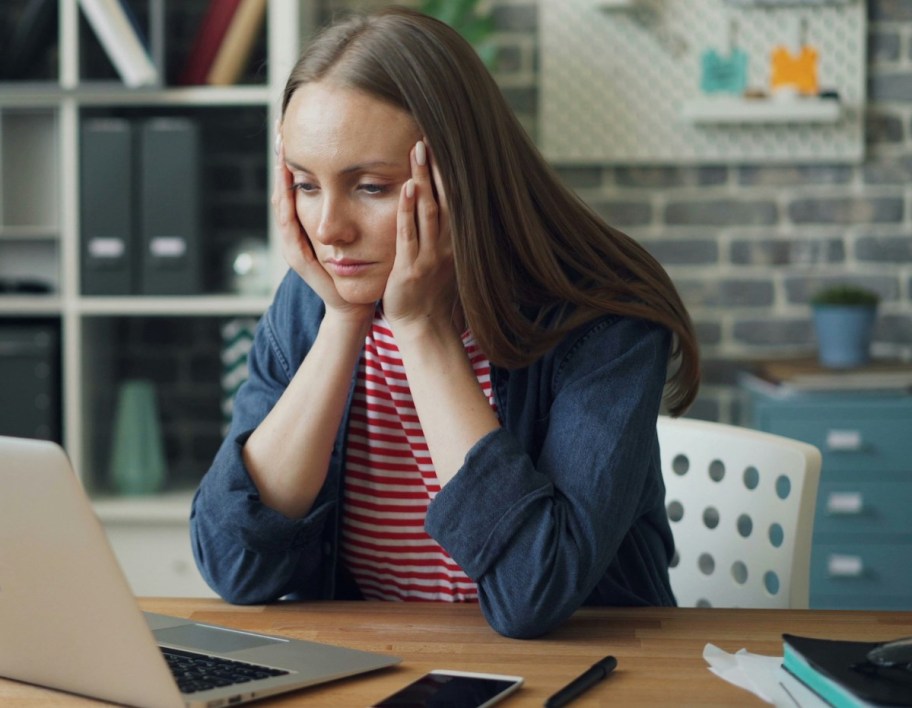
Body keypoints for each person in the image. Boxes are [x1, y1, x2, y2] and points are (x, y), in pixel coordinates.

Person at [190, 5, 700, 639]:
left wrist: (423, 329)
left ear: (463, 176)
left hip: (581, 677)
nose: (328, 231)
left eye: (371, 187)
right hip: (379, 666)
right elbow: (233, 565)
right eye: (305, 184)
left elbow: (531, 593)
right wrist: (343, 320)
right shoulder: (315, 300)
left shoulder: (602, 320)